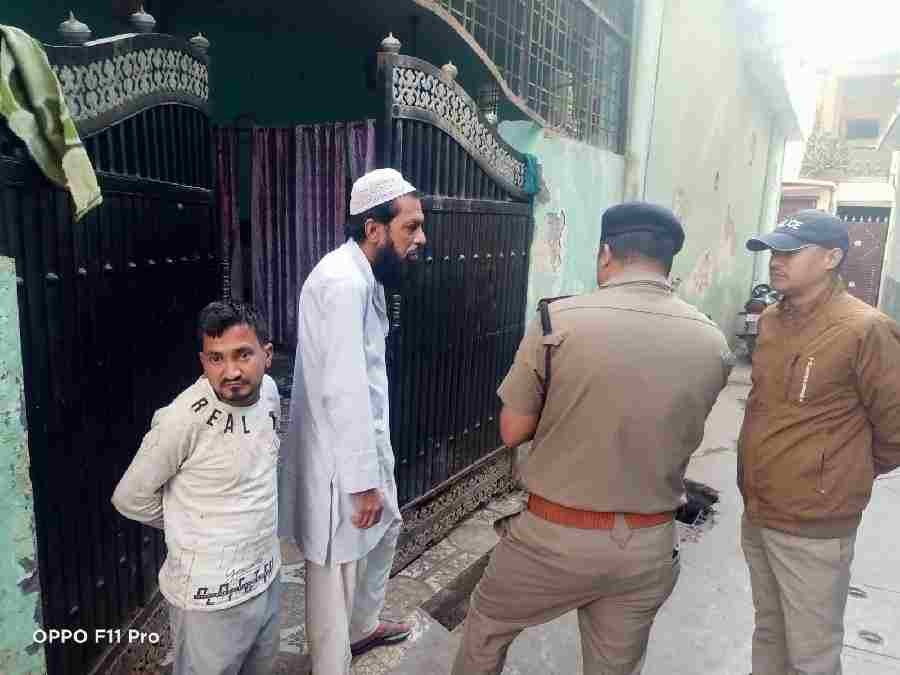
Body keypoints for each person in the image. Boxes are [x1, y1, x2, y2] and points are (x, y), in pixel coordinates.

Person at [452, 202, 734, 675]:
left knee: (487, 628)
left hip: (553, 538)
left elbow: (512, 431)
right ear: (668, 262)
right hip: (648, 545)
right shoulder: (712, 341)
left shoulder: (557, 322)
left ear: (606, 253)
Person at [739, 209, 900, 675]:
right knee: (769, 630)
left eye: (791, 252)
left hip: (815, 524)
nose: (776, 260)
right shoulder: (772, 320)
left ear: (832, 258)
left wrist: (838, 472)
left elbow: (894, 430)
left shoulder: (865, 328)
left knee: (812, 653)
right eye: (773, 251)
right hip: (759, 510)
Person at [279, 168, 427, 674]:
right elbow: (343, 388)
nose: (420, 238)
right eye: (411, 227)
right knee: (336, 572)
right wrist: (362, 483)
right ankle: (331, 664)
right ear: (373, 228)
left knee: (385, 530)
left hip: (364, 443)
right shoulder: (343, 283)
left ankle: (362, 628)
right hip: (339, 460)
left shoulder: (364, 276)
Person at [112, 301, 282, 675]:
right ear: (203, 362)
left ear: (267, 355)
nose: (231, 371)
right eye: (216, 359)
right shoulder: (182, 420)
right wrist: (189, 525)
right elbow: (129, 498)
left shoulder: (269, 392)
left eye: (243, 355)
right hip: (208, 600)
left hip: (266, 580)